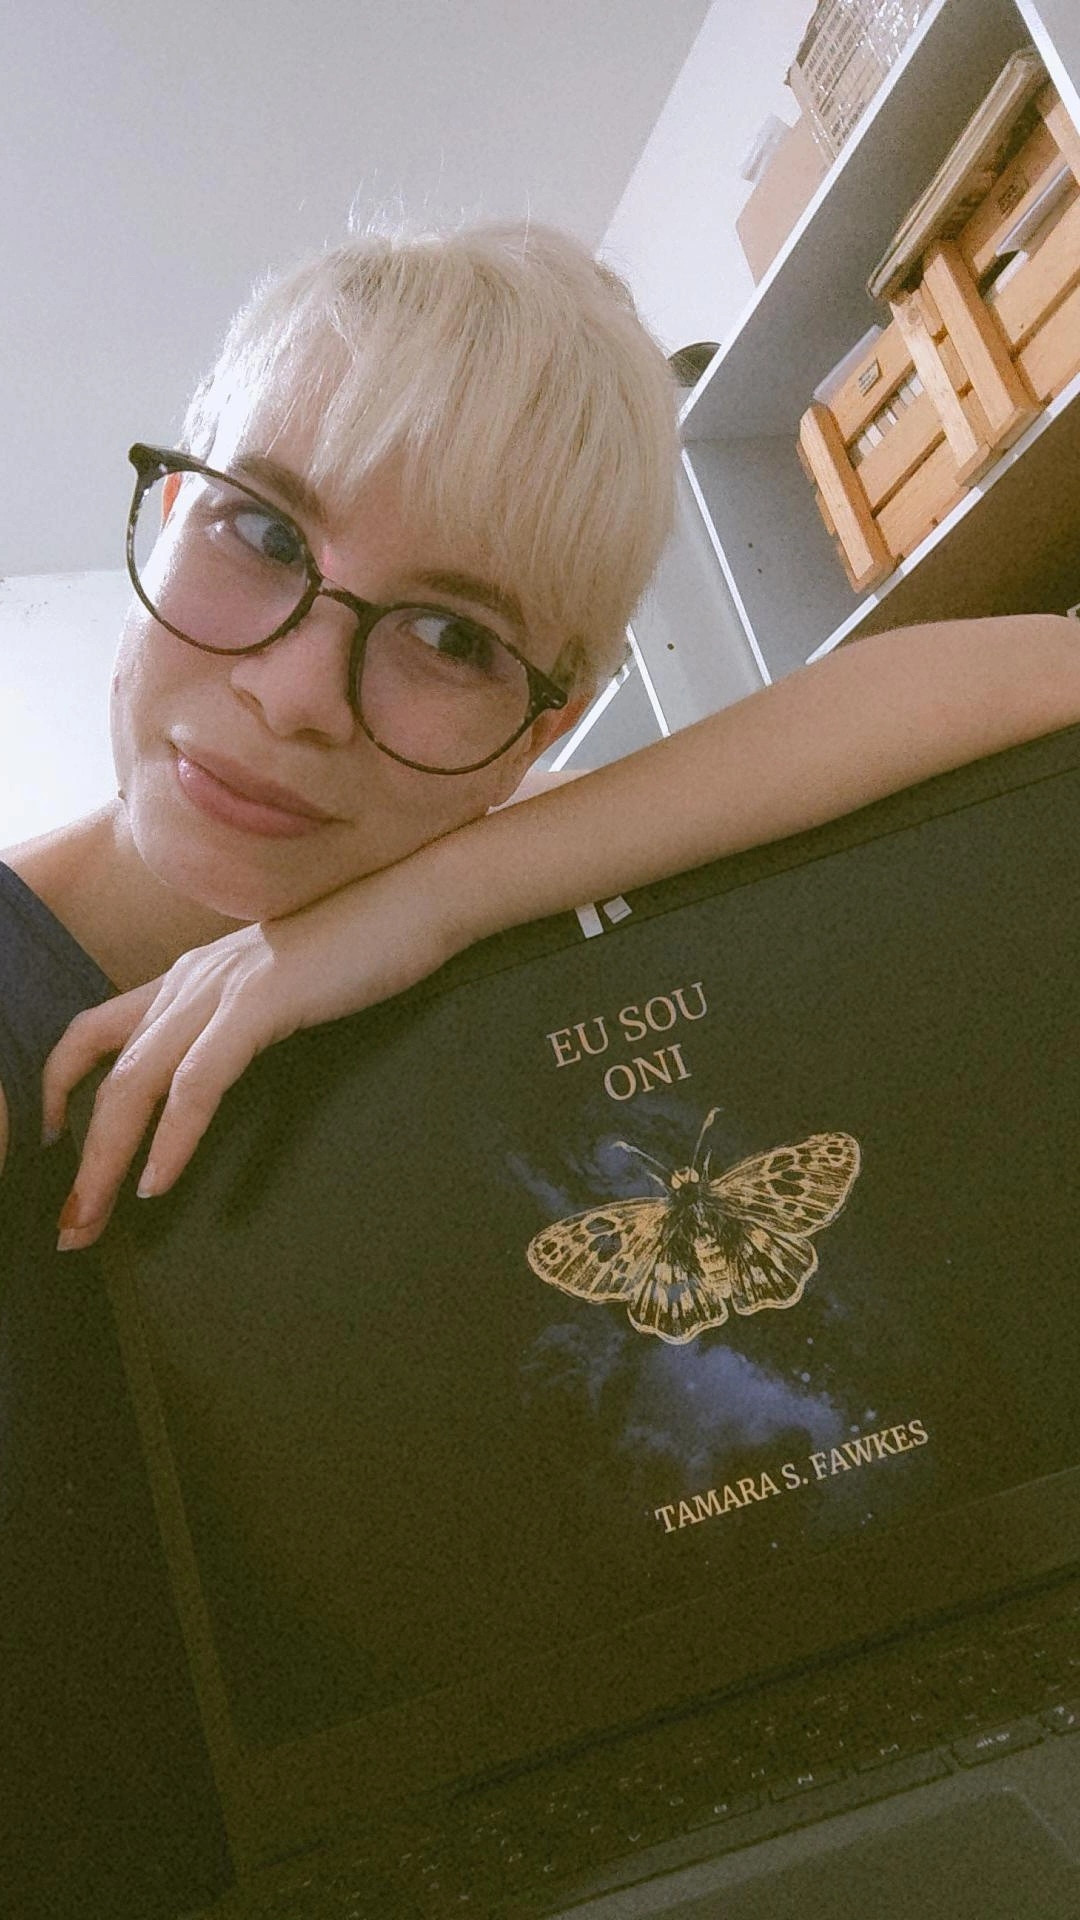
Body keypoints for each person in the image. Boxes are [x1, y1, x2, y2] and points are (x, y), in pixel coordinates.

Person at [1, 216, 1078, 1914]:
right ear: (166, 503)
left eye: (453, 638)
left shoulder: (491, 956)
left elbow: (1049, 674)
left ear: (550, 728)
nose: (296, 691)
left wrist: (435, 900)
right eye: (262, 529)